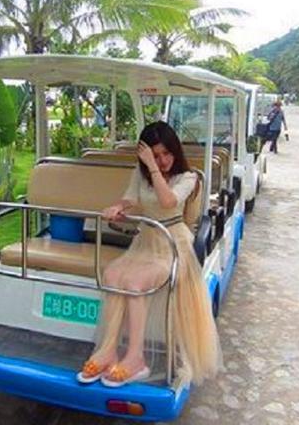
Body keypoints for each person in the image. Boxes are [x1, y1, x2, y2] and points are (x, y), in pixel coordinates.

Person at [77, 121, 222, 388]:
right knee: (112, 276)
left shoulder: (188, 178)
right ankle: (108, 350)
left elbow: (167, 202)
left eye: (166, 153)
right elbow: (131, 199)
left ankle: (136, 359)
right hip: (145, 241)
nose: (163, 160)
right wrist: (118, 208)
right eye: (155, 155)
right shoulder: (141, 174)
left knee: (134, 283)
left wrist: (152, 167)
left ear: (175, 151)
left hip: (172, 244)